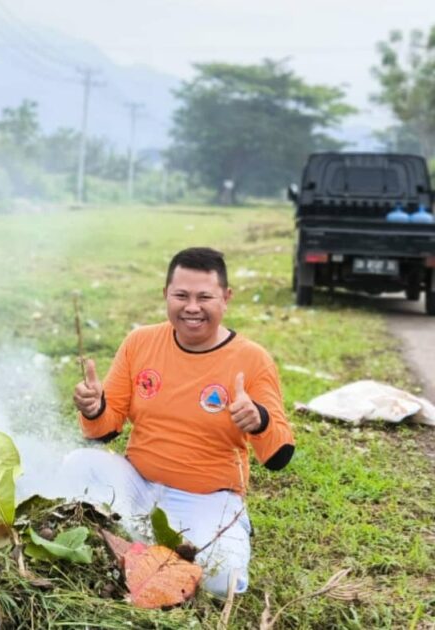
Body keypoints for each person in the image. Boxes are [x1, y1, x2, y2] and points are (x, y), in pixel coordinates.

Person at [59, 247, 295, 598]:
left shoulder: (253, 359)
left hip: (206, 500)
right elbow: (105, 429)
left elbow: (279, 456)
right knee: (77, 465)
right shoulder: (140, 342)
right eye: (181, 295)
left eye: (205, 297)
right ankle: (151, 544)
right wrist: (94, 408)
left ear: (226, 298)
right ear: (165, 295)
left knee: (221, 582)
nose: (192, 307)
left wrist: (258, 420)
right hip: (137, 486)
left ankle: (197, 538)